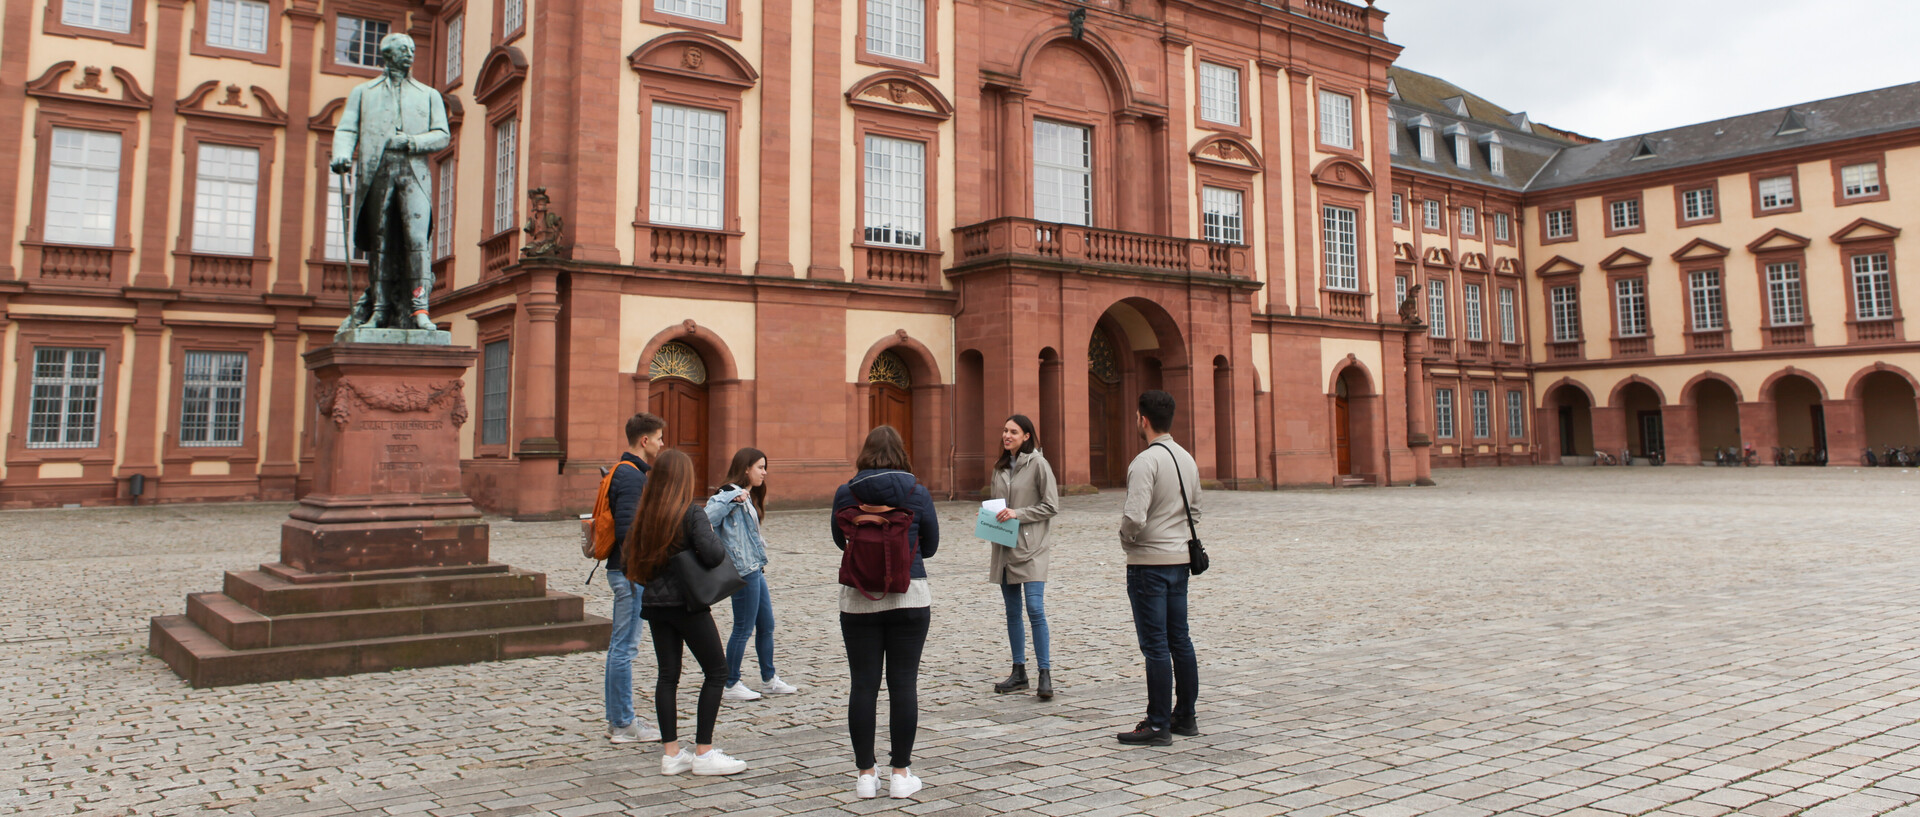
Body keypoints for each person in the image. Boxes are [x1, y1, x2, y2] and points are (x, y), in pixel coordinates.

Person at [831, 426, 940, 800]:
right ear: (901, 453)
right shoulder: (917, 492)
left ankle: (865, 775)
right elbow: (934, 545)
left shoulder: (846, 492)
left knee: (863, 684)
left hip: (859, 598)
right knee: (903, 684)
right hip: (909, 596)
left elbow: (838, 539)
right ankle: (900, 774)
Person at [625, 449, 749, 776]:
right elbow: (712, 555)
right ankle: (704, 752)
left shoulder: (645, 516)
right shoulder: (690, 514)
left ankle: (671, 754)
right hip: (687, 604)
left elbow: (628, 564)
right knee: (717, 671)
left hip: (654, 604)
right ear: (684, 479)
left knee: (668, 675)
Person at [328, 32, 450, 332]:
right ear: (387, 55)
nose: (409, 54)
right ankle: (379, 310)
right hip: (377, 171)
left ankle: (419, 309)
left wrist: (411, 141)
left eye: (412, 49)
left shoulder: (428, 93)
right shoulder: (364, 92)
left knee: (417, 240)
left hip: (413, 171)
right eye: (403, 50)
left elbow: (442, 134)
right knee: (380, 242)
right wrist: (342, 154)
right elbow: (347, 129)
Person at [1116, 390, 1201, 747]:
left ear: (1143, 419)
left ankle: (1157, 722)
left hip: (1148, 563)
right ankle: (1186, 715)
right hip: (1179, 560)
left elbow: (1134, 516)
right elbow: (1195, 513)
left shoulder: (1145, 462)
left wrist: (1127, 540)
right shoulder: (1187, 459)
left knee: (1155, 646)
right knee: (1179, 638)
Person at [706, 447, 801, 701]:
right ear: (746, 468)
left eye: (764, 466)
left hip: (756, 568)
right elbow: (707, 517)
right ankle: (730, 683)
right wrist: (729, 500)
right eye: (760, 467)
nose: (764, 472)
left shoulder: (749, 496)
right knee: (743, 627)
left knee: (766, 625)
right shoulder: (728, 493)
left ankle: (769, 679)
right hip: (742, 571)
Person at [987, 415, 1060, 699]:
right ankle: (1019, 671)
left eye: (1013, 432)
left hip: (1032, 547)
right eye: (1005, 430)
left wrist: (1019, 513)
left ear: (1027, 436)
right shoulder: (1000, 466)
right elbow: (997, 504)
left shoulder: (1039, 464)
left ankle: (1045, 672)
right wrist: (989, 518)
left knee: (1035, 608)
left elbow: (1051, 505)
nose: (1007, 435)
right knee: (1012, 611)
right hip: (1005, 544)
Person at [605, 413, 666, 744]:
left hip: (626, 571)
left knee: (622, 646)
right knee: (624, 647)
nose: (661, 443)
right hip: (628, 572)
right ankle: (622, 722)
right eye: (658, 438)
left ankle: (618, 719)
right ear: (644, 440)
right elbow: (628, 530)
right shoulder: (631, 477)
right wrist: (637, 570)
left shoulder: (630, 472)